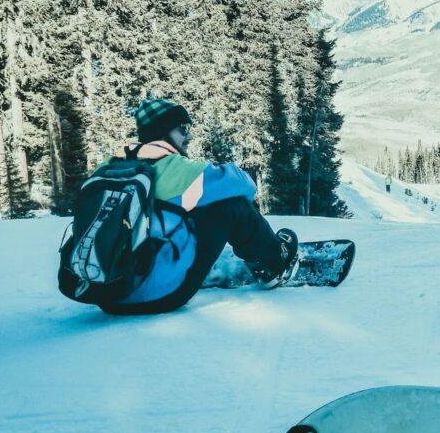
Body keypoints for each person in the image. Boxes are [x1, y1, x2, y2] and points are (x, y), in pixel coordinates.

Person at [95, 99, 298, 315]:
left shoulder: (107, 168)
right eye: (183, 129)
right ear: (163, 131)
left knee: (179, 212)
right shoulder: (174, 168)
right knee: (231, 205)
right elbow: (243, 183)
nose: (189, 136)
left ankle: (171, 261)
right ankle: (274, 263)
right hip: (160, 295)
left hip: (106, 294)